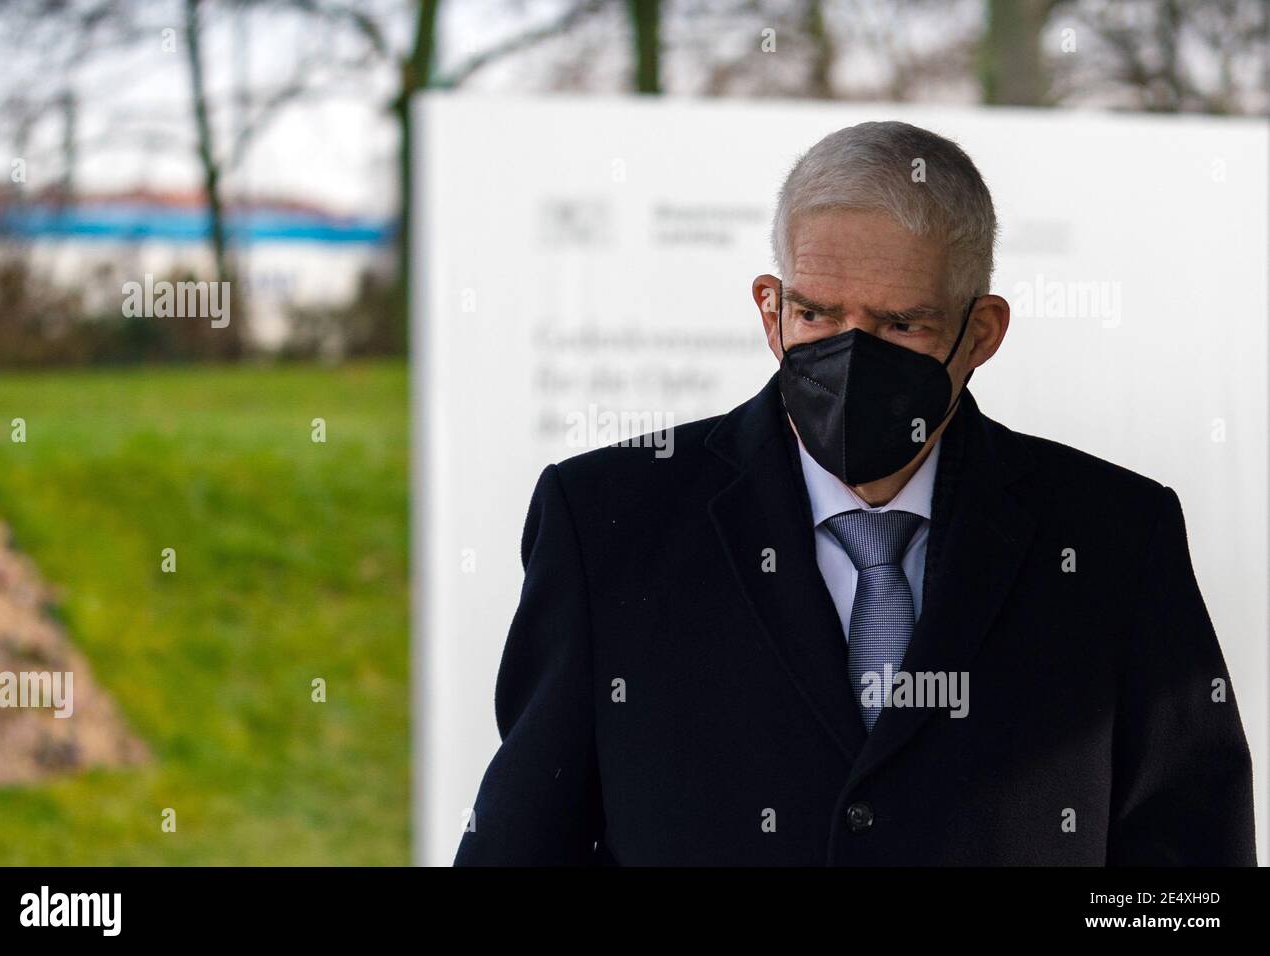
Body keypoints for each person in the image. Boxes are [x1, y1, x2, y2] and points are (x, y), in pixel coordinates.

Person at [454, 121, 1256, 866]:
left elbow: (1188, 878)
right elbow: (521, 847)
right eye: (816, 313)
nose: (850, 355)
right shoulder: (606, 521)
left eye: (901, 324)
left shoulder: (1117, 535)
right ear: (771, 311)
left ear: (982, 333)